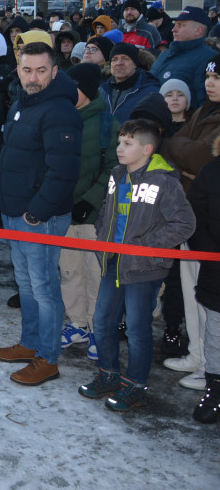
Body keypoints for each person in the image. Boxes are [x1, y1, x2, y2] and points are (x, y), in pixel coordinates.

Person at [78, 119, 195, 411]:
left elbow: (184, 223)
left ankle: (136, 385)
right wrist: (103, 232)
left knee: (137, 328)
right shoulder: (117, 175)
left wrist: (146, 245)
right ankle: (108, 373)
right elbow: (106, 212)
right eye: (119, 141)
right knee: (103, 321)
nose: (119, 148)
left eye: (127, 143)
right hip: (113, 262)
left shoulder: (165, 180)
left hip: (143, 268)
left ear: (147, 149)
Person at [0, 40, 83, 385]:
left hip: (38, 217)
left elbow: (63, 171)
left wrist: (37, 213)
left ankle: (48, 357)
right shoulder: (21, 103)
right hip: (15, 211)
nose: (33, 77)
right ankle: (29, 343)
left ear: (54, 71)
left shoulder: (59, 110)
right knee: (27, 284)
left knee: (44, 288)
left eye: (41, 70)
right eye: (27, 69)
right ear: (18, 70)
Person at [160, 56, 220, 389]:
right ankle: (198, 355)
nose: (211, 82)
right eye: (209, 75)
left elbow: (198, 156)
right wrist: (185, 153)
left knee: (211, 301)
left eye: (218, 77)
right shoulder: (202, 112)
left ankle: (212, 365)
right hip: (189, 212)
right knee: (191, 293)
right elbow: (176, 145)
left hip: (212, 221)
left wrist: (184, 153)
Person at [56, 63, 120, 362]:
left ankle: (98, 328)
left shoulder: (108, 124)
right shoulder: (61, 116)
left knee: (96, 273)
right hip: (64, 209)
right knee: (70, 271)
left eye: (75, 85)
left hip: (94, 216)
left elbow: (113, 170)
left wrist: (90, 201)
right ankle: (77, 323)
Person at [187, 132, 220, 423]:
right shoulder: (212, 171)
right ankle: (215, 391)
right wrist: (210, 250)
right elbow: (194, 215)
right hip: (217, 269)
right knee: (216, 335)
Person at [150, 7, 217, 109]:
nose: (173, 30)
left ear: (198, 30)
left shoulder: (209, 59)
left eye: (181, 25)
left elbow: (205, 105)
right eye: (175, 24)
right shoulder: (165, 54)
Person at [99, 42, 160, 124]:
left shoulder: (150, 92)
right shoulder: (102, 90)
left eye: (125, 58)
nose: (119, 63)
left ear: (135, 64)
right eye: (114, 59)